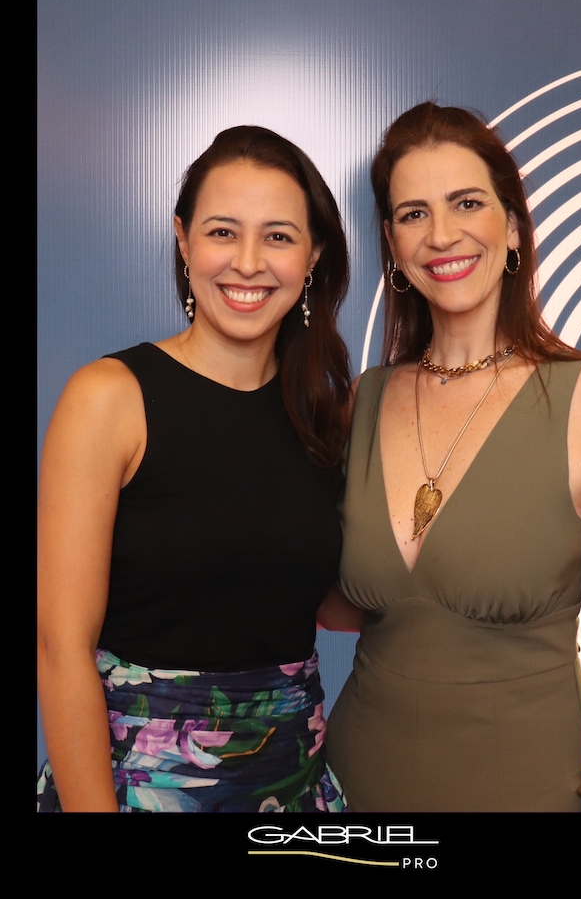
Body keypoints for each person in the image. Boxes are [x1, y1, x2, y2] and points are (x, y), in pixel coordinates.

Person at [37, 126, 352, 813]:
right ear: (183, 241)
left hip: (295, 794)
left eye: (277, 236)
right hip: (134, 788)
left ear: (313, 255)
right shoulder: (109, 397)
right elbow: (61, 649)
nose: (248, 262)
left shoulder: (327, 414)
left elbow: (334, 603)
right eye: (221, 232)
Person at [325, 103, 581, 812]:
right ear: (392, 245)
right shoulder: (362, 400)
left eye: (466, 203)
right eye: (413, 214)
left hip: (533, 790)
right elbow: (331, 604)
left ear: (512, 226)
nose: (441, 234)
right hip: (352, 795)